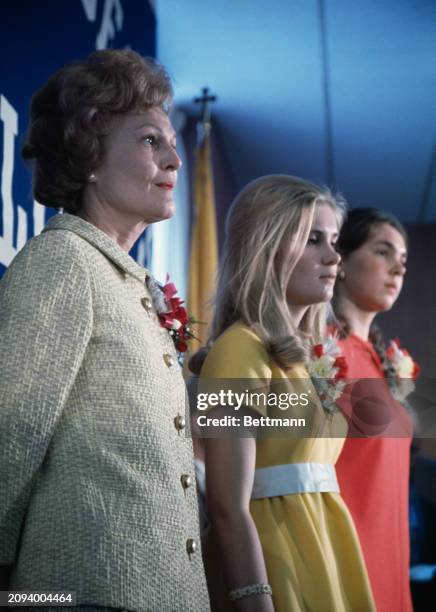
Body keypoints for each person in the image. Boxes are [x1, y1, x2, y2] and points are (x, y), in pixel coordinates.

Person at [0, 49, 210, 612]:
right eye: (149, 141)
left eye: (172, 144)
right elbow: (8, 437)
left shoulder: (131, 284)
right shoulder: (63, 260)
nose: (174, 159)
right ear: (89, 155)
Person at [193, 176, 376, 611]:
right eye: (314, 239)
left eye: (334, 240)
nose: (334, 257)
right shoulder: (240, 348)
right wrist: (254, 599)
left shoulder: (306, 358)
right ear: (266, 245)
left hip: (325, 544)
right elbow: (225, 505)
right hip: (274, 557)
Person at [333, 208, 417, 612]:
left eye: (402, 261)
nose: (397, 270)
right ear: (341, 259)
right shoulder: (319, 355)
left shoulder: (387, 362)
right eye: (383, 252)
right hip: (343, 563)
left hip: (391, 563)